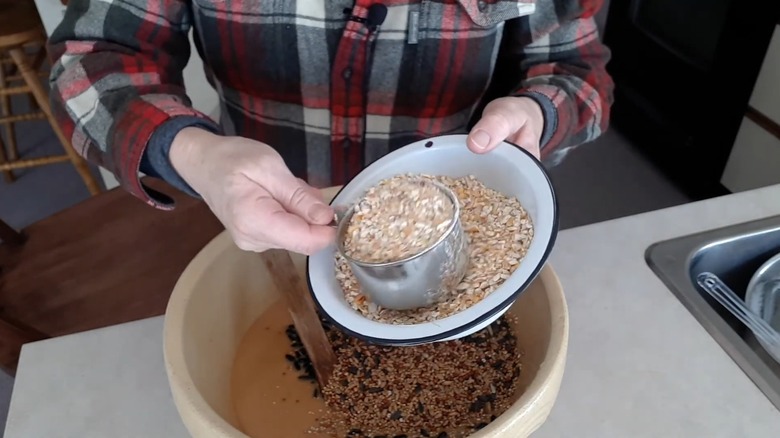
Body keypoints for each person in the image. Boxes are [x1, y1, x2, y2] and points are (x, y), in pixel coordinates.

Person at [47, 0, 613, 256]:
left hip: (456, 232)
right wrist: (191, 153)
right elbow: (89, 60)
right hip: (262, 226)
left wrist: (538, 112)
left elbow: (577, 72)